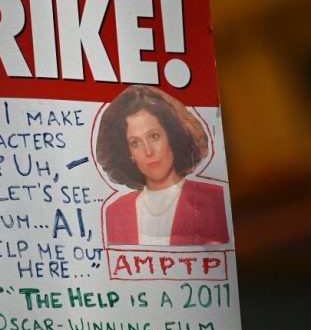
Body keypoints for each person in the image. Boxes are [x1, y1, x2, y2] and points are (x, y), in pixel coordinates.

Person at [96, 85, 229, 246]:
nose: (148, 151)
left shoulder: (214, 200)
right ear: (129, 153)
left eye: (154, 136)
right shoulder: (116, 212)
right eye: (135, 143)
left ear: (172, 135)